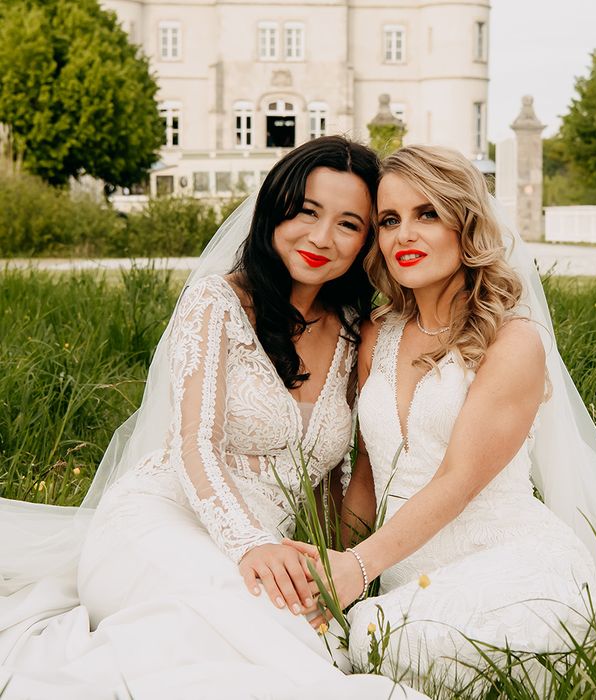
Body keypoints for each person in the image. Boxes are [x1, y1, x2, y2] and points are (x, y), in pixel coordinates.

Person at [286, 145, 596, 692]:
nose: (404, 236)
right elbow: (368, 479)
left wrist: (356, 568)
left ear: (464, 225)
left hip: (510, 558)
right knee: (338, 635)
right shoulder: (377, 335)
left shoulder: (512, 341)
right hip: (400, 570)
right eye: (390, 220)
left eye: (428, 214)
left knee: (385, 636)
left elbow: (458, 481)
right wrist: (329, 573)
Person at [0, 136, 426, 699]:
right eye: (306, 211)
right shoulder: (216, 303)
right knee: (247, 619)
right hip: (158, 524)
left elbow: (330, 481)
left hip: (264, 556)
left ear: (367, 240)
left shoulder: (355, 331)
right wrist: (249, 544)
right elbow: (192, 445)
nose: (322, 237)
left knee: (278, 636)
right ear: (276, 209)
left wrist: (333, 571)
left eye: (349, 224)